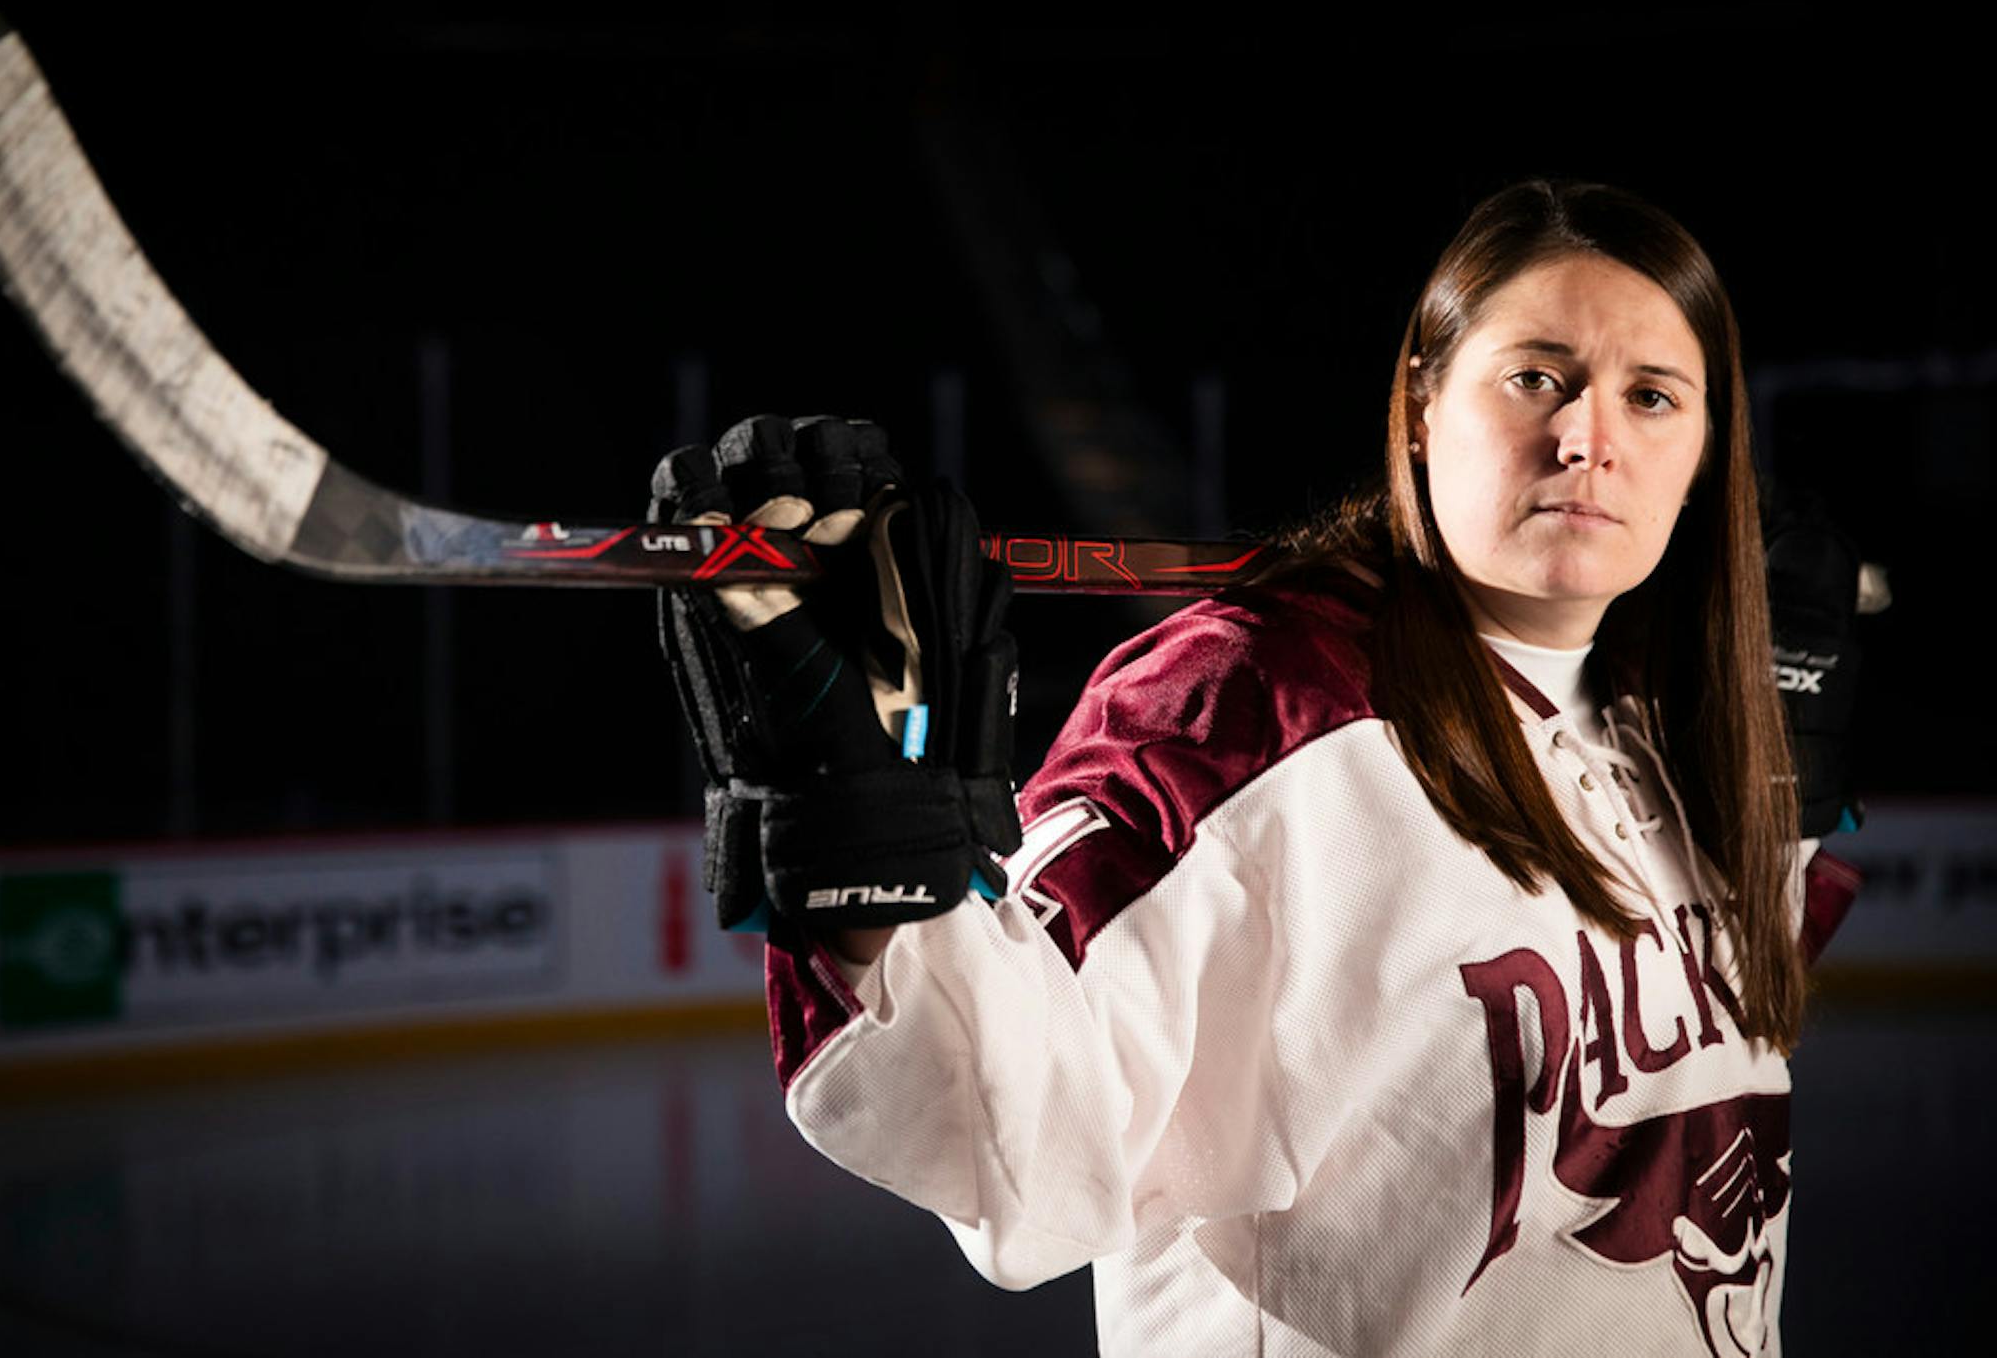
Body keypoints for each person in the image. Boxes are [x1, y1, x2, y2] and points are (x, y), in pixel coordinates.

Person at [649, 180, 1861, 1357]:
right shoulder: (1248, 703)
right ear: (1424, 402)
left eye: (1653, 396)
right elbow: (1016, 1135)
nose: (1588, 435)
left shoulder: (1674, 720)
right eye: (1536, 376)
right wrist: (872, 883)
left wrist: (1774, 805)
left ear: (1707, 453)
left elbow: (1697, 1028)